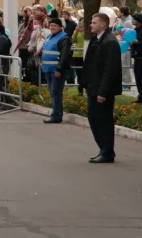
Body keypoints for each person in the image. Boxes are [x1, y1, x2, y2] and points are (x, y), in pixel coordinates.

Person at [80, 13, 122, 163]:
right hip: (94, 86)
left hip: (103, 90)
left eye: (94, 22)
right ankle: (103, 149)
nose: (90, 24)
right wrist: (85, 84)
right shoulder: (96, 39)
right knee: (94, 118)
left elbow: (110, 70)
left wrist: (103, 92)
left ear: (103, 24)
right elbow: (90, 64)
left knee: (103, 120)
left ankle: (107, 151)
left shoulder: (110, 42)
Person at [41, 18, 72, 124]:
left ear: (60, 27)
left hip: (57, 70)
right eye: (51, 25)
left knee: (56, 92)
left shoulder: (64, 38)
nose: (52, 27)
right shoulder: (49, 36)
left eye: (54, 25)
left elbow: (64, 55)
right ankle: (56, 113)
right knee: (53, 92)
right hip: (48, 69)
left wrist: (59, 69)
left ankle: (56, 115)